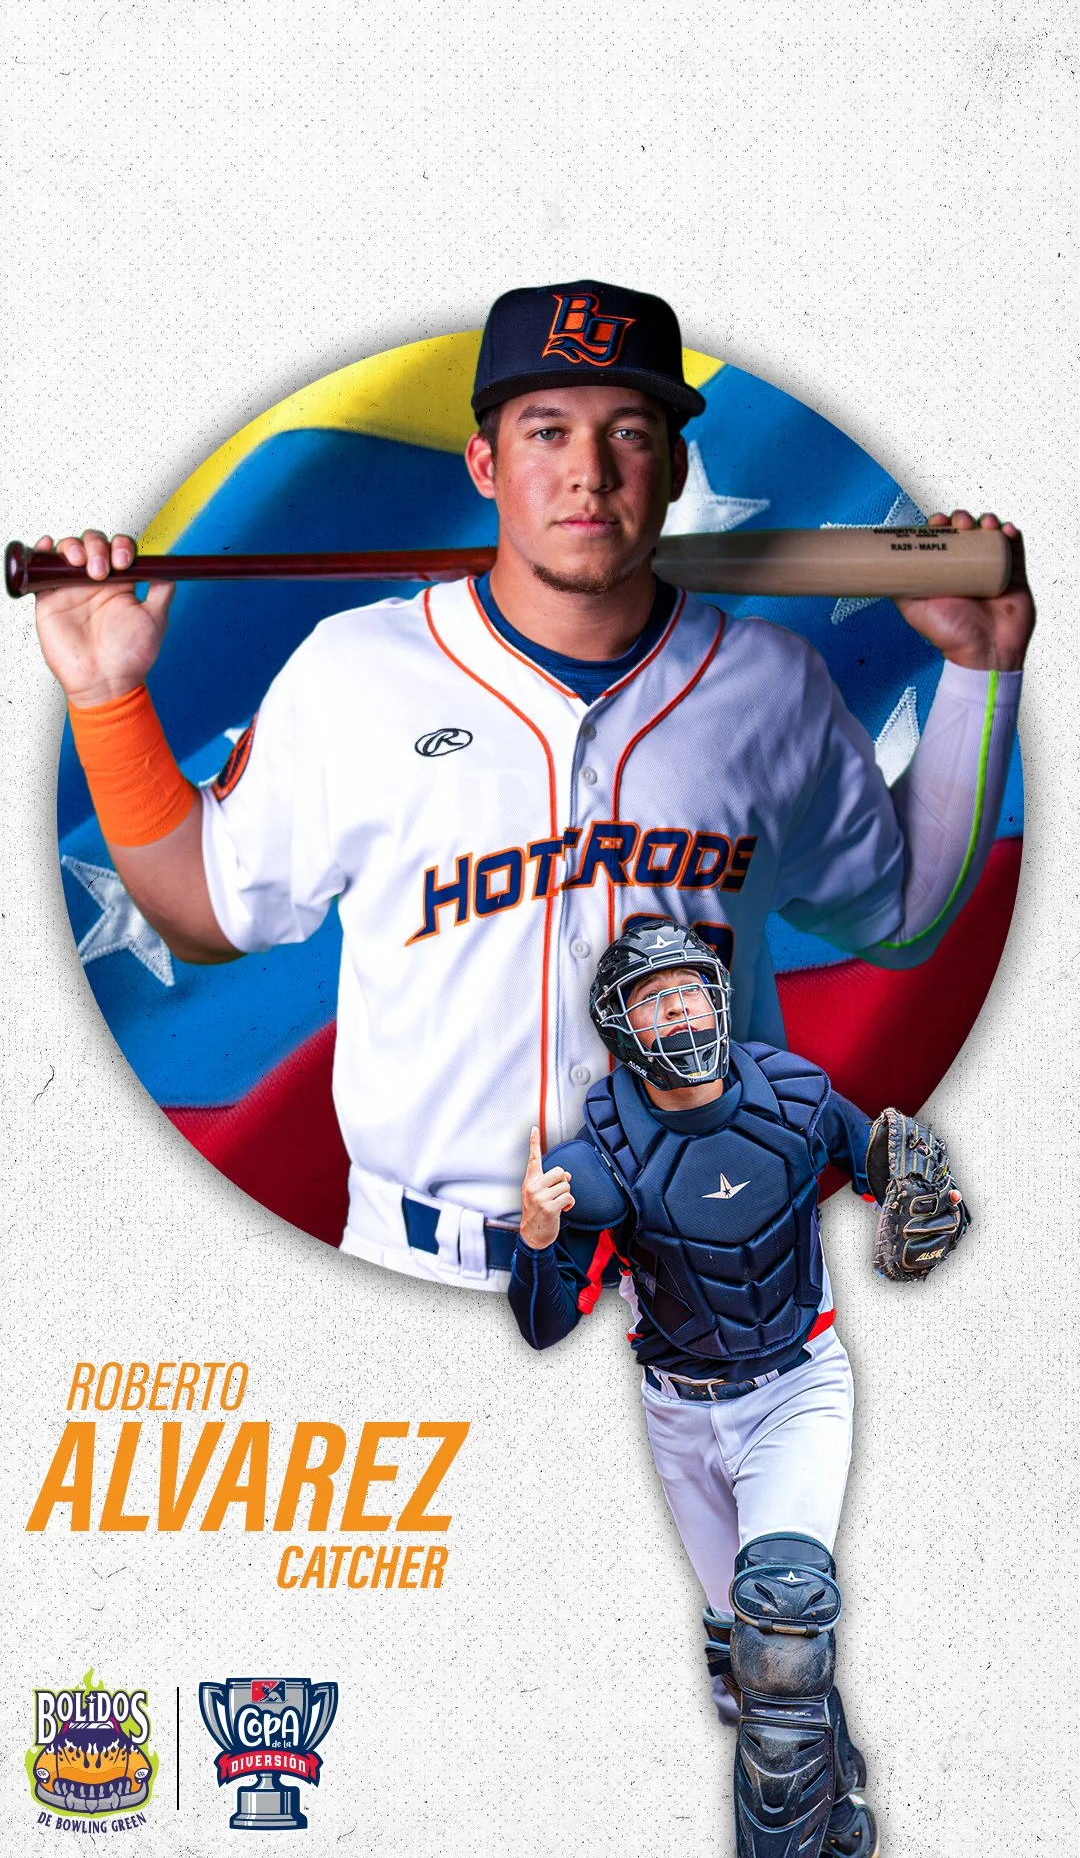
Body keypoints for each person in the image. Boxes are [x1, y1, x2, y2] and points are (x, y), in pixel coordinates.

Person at [29, 280, 1030, 1286]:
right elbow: (205, 915)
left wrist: (980, 668)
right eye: (546, 431)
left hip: (709, 1268)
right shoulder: (353, 671)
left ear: (676, 467)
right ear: (486, 464)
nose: (588, 472)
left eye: (628, 432)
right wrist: (106, 698)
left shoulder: (771, 684)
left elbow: (898, 916)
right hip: (427, 1266)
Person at [509, 920, 970, 1857]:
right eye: (653, 1000)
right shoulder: (597, 1162)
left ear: (718, 999)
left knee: (784, 1615)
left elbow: (900, 1179)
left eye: (689, 990)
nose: (678, 1012)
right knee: (745, 1663)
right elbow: (546, 1327)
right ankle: (835, 1814)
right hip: (680, 1411)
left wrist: (934, 1209)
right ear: (619, 1025)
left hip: (798, 1387)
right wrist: (536, 1242)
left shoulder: (793, 1098)